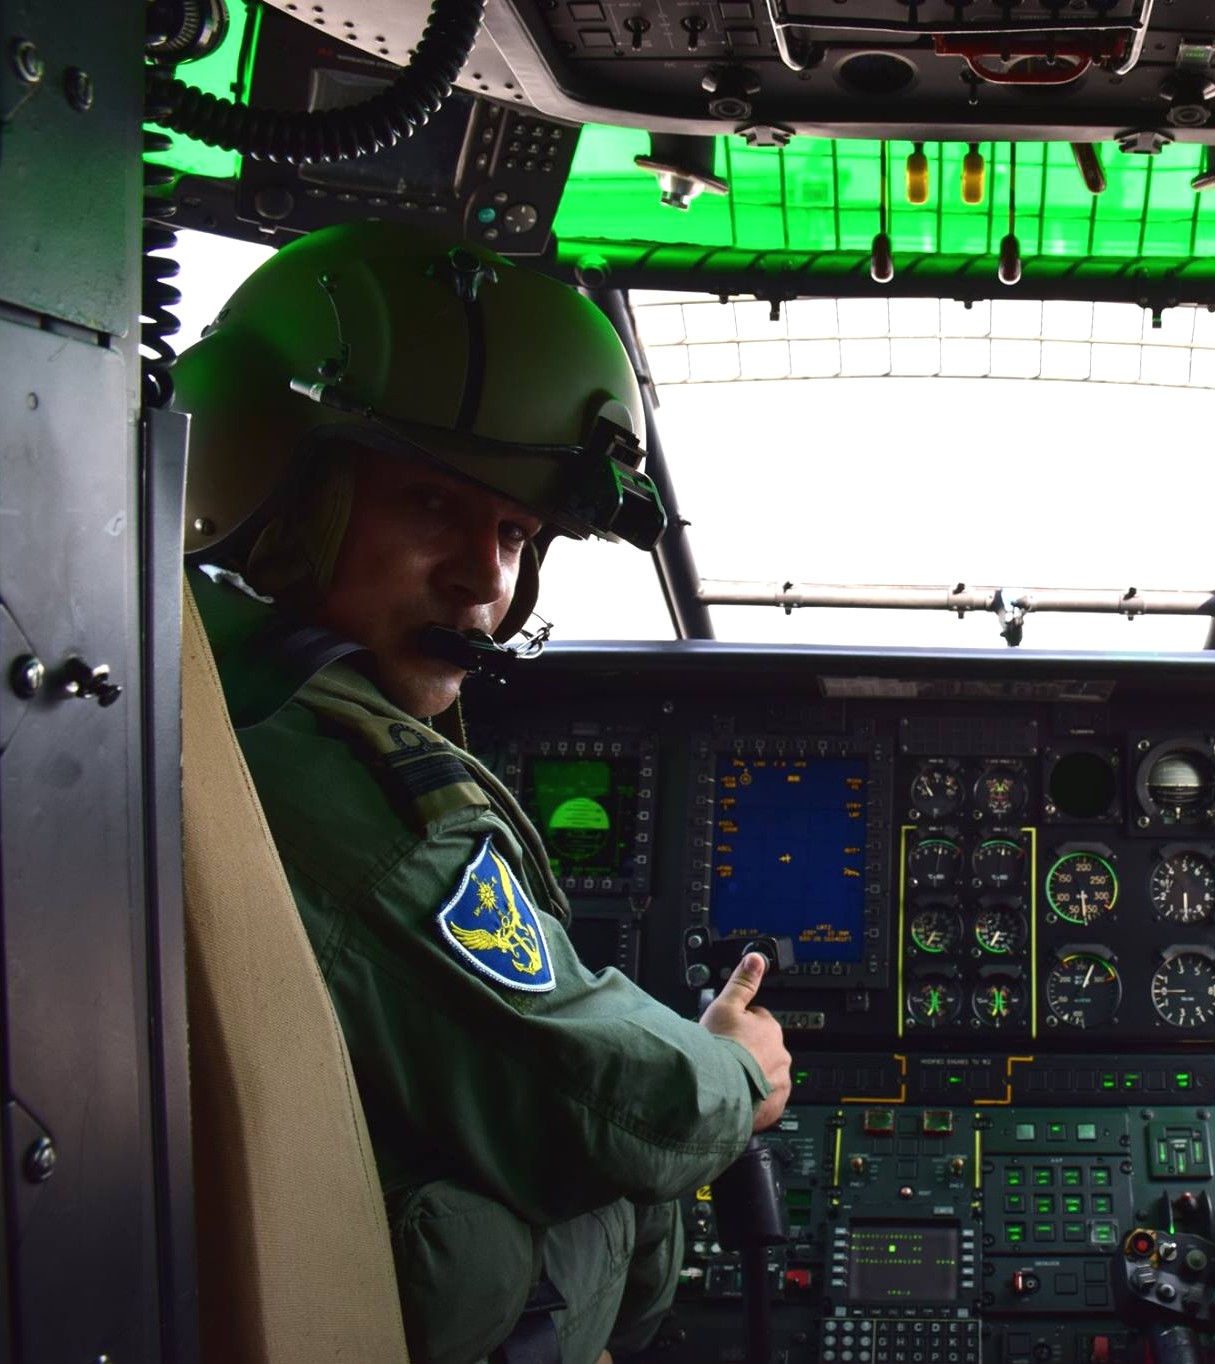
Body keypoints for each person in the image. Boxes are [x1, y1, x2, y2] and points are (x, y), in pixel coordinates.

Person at [173, 221, 792, 1364]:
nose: (484, 581)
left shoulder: (188, 675)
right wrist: (733, 1069)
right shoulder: (341, 784)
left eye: (513, 531)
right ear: (275, 481)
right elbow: (602, 1100)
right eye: (429, 506)